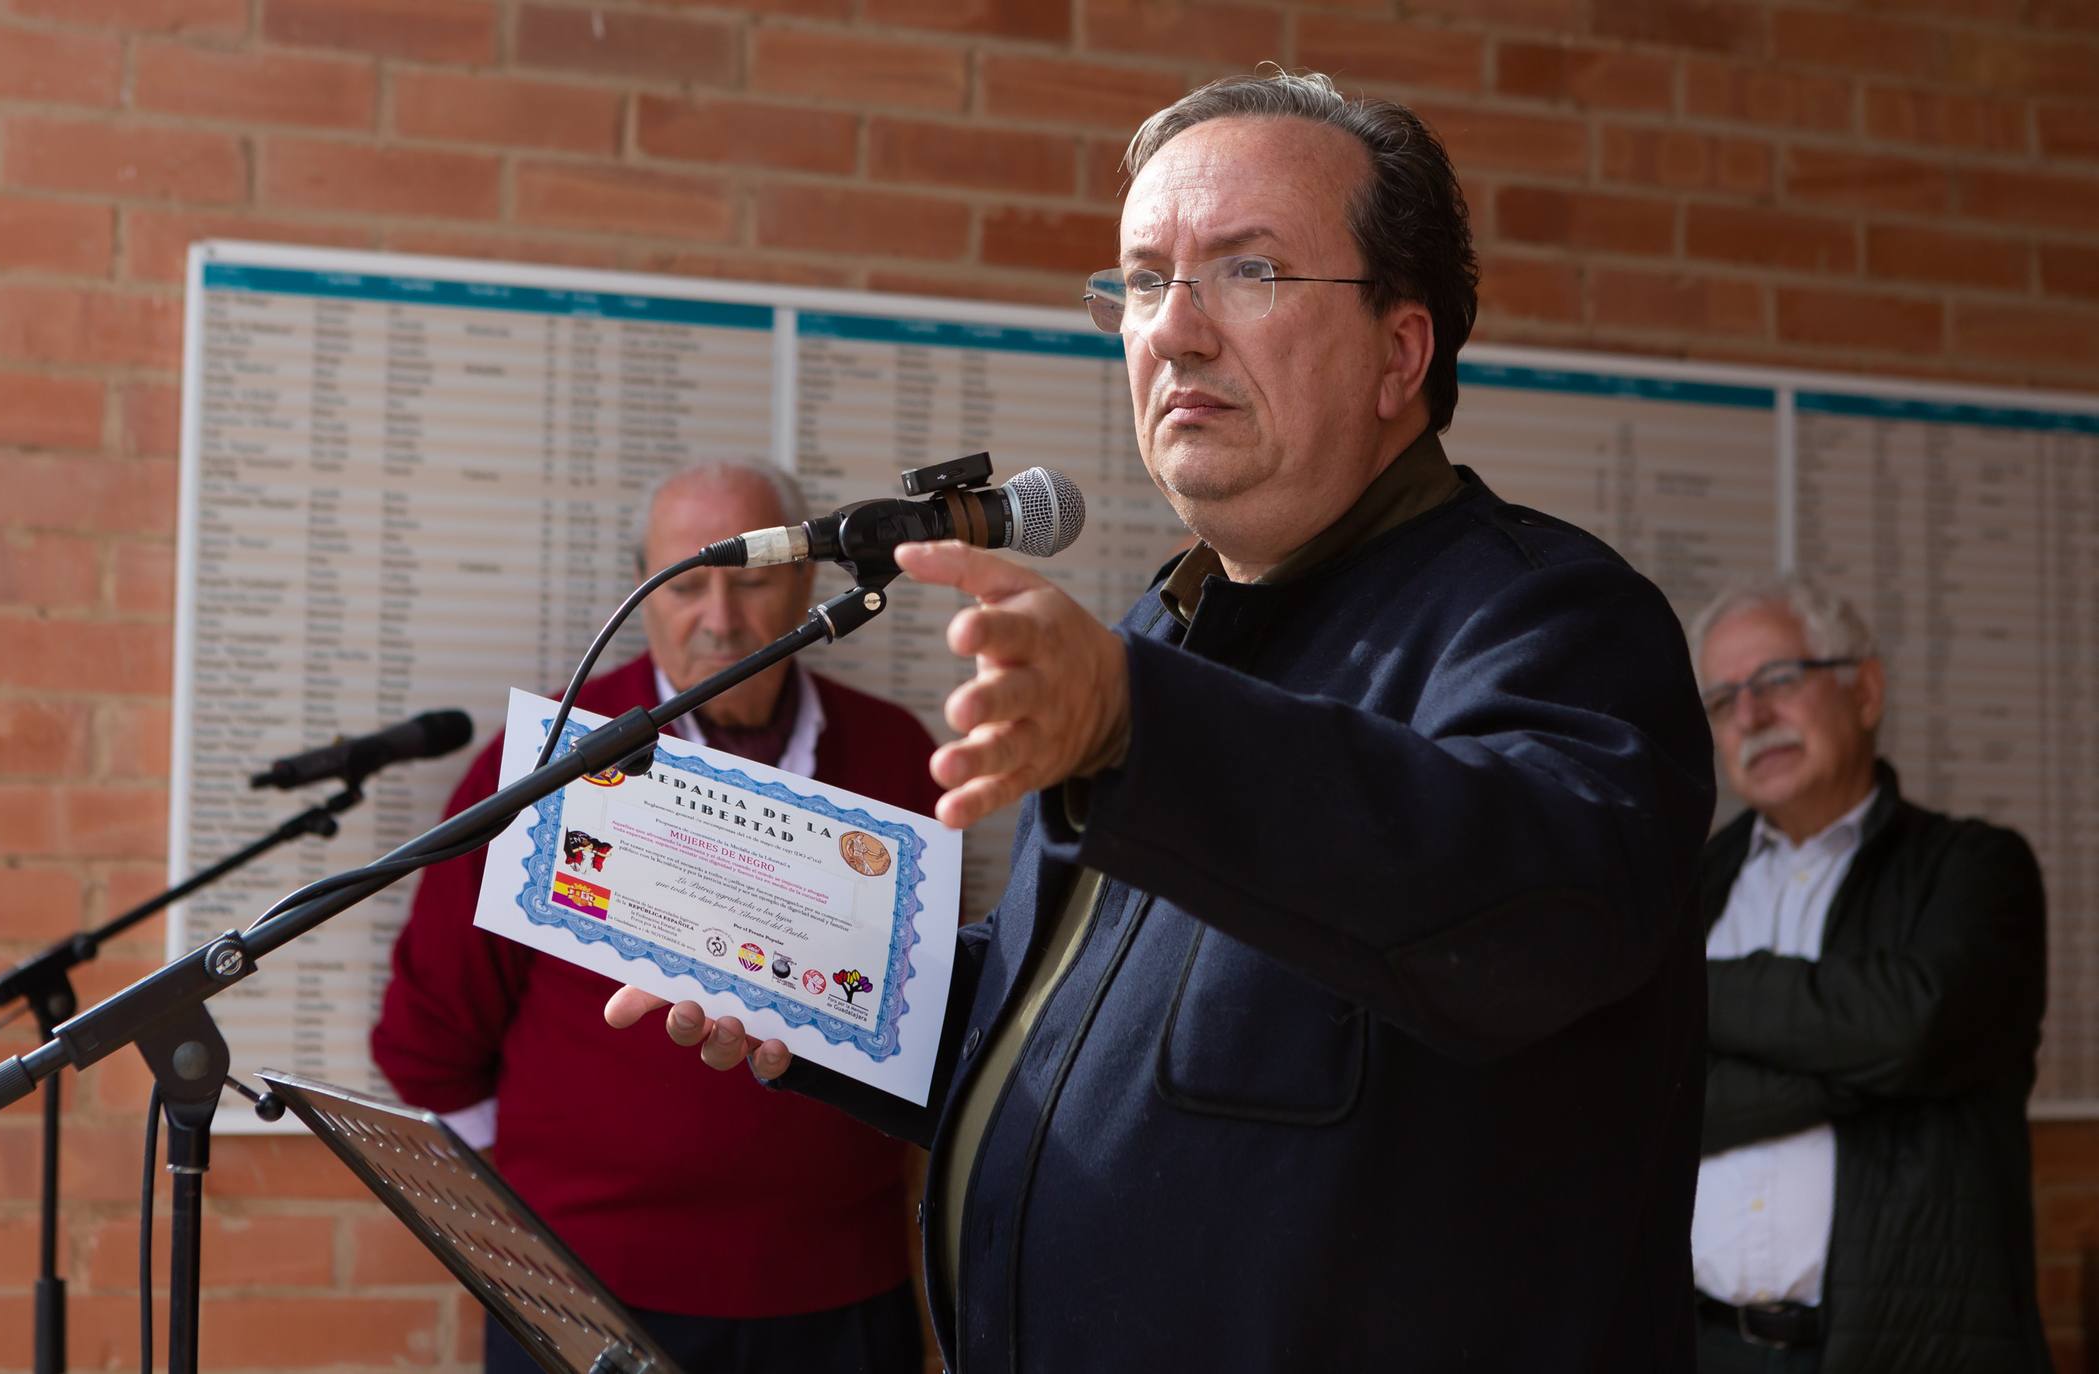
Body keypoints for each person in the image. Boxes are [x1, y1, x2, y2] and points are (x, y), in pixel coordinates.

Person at [609, 72, 1720, 1371]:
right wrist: (814, 976)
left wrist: (1140, 726)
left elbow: (1522, 919)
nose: (1172, 330)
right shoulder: (1158, 637)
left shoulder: (1551, 619)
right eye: (1140, 280)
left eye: (1244, 270)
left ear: (1398, 351)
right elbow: (1057, 1035)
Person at [372, 459, 938, 1374]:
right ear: (642, 593)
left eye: (753, 581)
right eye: (687, 584)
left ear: (805, 586)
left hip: (838, 1299)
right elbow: (426, 1041)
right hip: (586, 1298)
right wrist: (526, 1240)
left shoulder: (897, 756)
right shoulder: (550, 759)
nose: (720, 618)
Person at [1686, 574, 2049, 1373]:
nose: (1750, 716)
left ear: (1865, 690)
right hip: (1699, 1348)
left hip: (1909, 1349)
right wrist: (1863, 1062)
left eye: (1777, 679)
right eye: (1721, 698)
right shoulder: (1684, 888)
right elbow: (1633, 1091)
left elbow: (1914, 1026)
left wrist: (1690, 991)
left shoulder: (1975, 868)